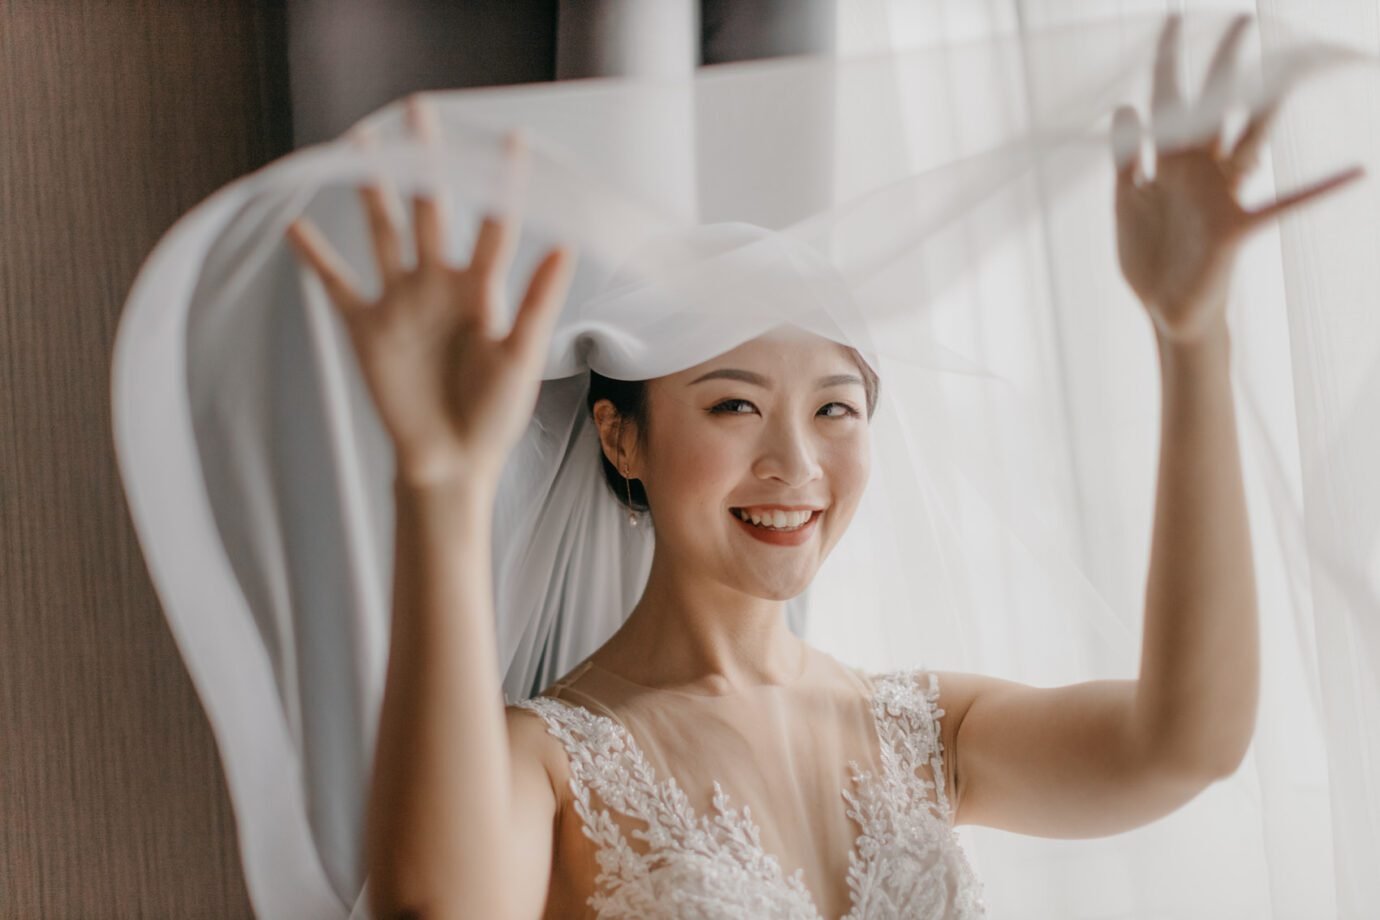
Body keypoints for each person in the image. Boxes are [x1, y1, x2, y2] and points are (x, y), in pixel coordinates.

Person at [283, 16, 1362, 919]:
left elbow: (1190, 741)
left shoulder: (926, 729)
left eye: (835, 407)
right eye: (734, 404)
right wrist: (440, 482)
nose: (794, 462)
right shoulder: (548, 759)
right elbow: (433, 909)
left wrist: (1193, 334)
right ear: (623, 434)